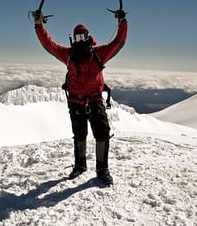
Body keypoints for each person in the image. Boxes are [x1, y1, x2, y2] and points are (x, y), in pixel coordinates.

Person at [33, 10, 127, 185]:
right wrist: (39, 26)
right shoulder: (69, 55)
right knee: (79, 135)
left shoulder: (99, 53)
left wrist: (122, 22)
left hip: (95, 100)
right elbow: (49, 45)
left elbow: (118, 42)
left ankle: (102, 169)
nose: (80, 40)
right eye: (77, 37)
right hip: (76, 102)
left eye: (82, 36)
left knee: (102, 134)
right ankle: (80, 166)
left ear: (88, 36)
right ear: (72, 39)